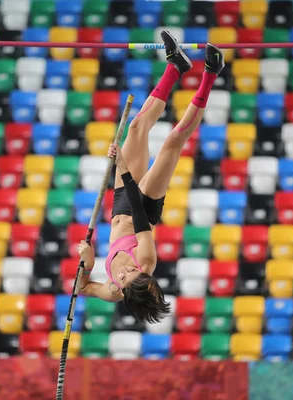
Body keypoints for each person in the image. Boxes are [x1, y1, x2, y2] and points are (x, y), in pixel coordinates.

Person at [77, 30, 225, 323]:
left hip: (120, 205)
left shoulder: (113, 290)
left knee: (134, 129)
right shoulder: (146, 261)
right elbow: (138, 214)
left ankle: (176, 67)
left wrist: (87, 261)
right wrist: (121, 165)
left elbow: (81, 287)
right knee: (172, 143)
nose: (125, 271)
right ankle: (211, 73)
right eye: (132, 272)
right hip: (142, 207)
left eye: (125, 276)